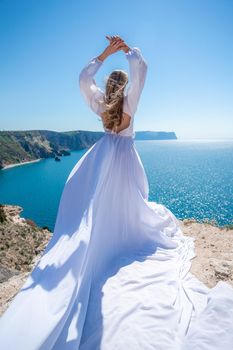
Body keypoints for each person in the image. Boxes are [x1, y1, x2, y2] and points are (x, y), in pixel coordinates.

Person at [0, 35, 233, 350]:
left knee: (96, 211)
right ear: (124, 88)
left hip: (101, 159)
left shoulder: (100, 104)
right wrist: (130, 52)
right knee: (130, 204)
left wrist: (105, 54)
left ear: (108, 87)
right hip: (125, 159)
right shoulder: (130, 103)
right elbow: (143, 70)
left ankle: (99, 246)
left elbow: (84, 79)